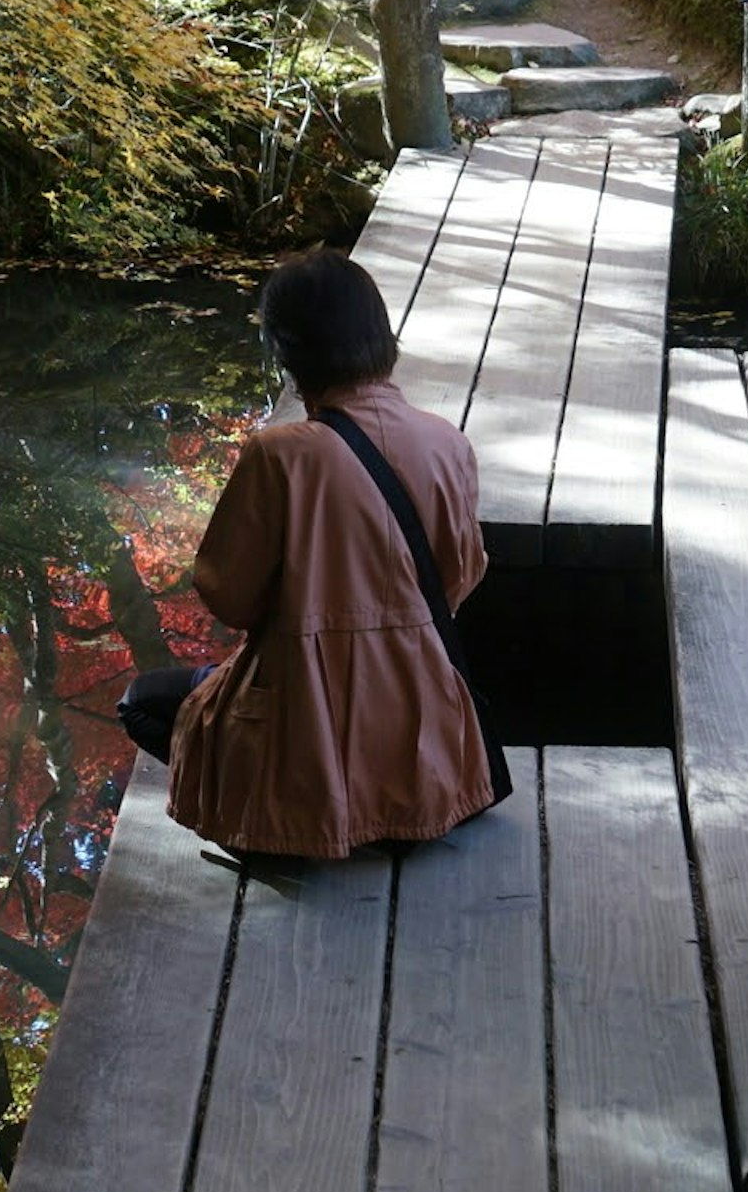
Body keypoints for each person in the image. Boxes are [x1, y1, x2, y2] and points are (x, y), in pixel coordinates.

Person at [120, 252, 503, 862]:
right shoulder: (447, 444)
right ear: (380, 336)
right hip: (425, 724)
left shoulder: (279, 455)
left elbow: (231, 597)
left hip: (300, 721)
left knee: (142, 702)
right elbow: (460, 579)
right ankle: (388, 811)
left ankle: (294, 822)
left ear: (288, 355)